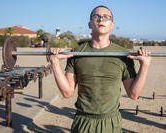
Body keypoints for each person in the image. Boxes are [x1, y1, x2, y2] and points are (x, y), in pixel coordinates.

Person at [49, 5, 151, 133]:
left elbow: (134, 94)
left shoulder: (123, 55)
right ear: (90, 24)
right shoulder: (76, 53)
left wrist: (145, 66)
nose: (101, 20)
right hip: (83, 122)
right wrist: (55, 63)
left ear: (112, 24)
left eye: (106, 17)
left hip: (111, 123)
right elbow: (67, 92)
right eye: (96, 16)